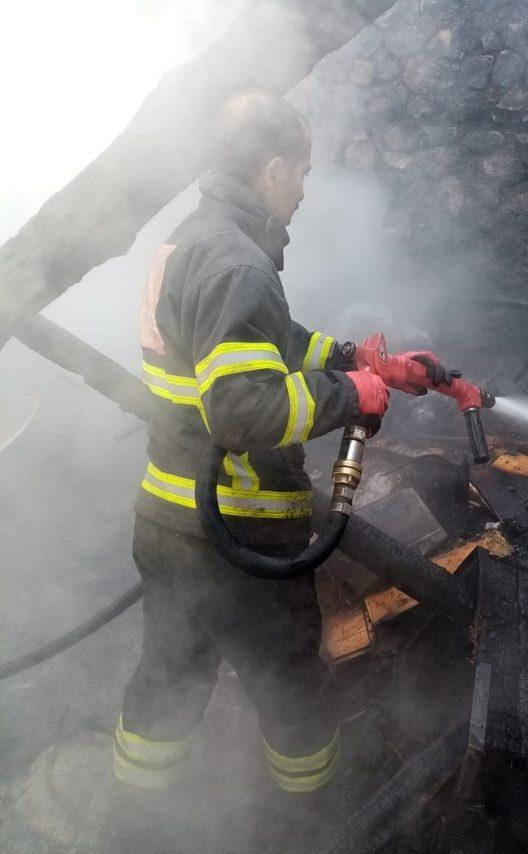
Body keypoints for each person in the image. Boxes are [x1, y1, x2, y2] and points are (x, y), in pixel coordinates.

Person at [114, 92, 444, 798]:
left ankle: (132, 812)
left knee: (168, 676)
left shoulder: (196, 240)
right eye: (301, 173)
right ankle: (311, 815)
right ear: (270, 171)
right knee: (292, 689)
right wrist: (353, 396)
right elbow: (244, 407)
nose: (302, 191)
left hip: (168, 521)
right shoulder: (239, 263)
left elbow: (267, 345)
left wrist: (358, 358)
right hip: (242, 536)